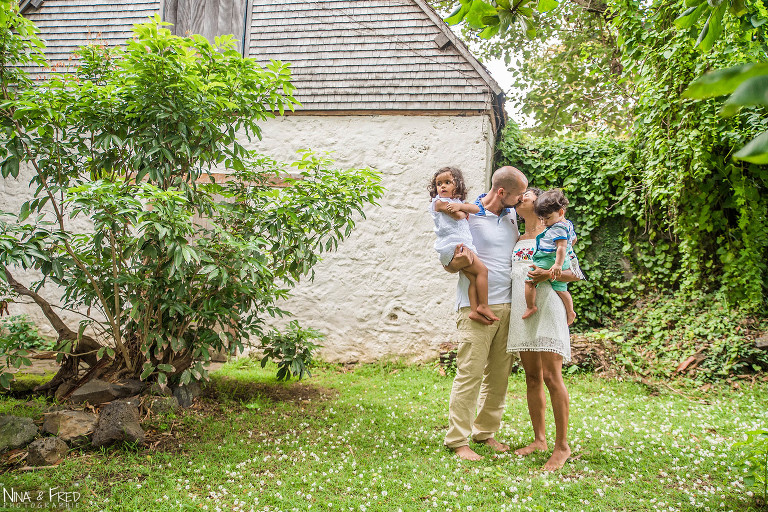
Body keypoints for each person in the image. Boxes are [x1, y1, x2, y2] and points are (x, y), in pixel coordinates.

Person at [442, 166, 527, 461]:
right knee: (470, 373)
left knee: (499, 376)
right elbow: (448, 263)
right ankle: (457, 440)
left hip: (508, 305)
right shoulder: (469, 216)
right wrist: (457, 262)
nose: (521, 200)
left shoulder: (513, 217)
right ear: (501, 192)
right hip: (473, 307)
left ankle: (485, 432)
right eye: (518, 195)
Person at [507, 187, 581, 471]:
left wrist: (547, 274)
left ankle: (562, 447)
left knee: (552, 376)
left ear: (537, 202)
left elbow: (573, 273)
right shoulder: (517, 239)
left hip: (549, 305)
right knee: (532, 377)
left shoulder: (556, 234)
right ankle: (539, 440)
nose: (520, 197)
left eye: (525, 194)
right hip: (523, 311)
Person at [429, 167, 499, 323]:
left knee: (474, 278)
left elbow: (476, 208)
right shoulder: (439, 203)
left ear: (458, 185)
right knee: (483, 271)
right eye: (439, 184)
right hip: (454, 245)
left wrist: (461, 206)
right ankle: (484, 305)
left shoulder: (457, 202)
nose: (443, 186)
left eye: (447, 182)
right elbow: (460, 216)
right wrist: (462, 210)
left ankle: (474, 310)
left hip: (461, 244)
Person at [522, 189, 577, 325]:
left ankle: (530, 306)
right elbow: (572, 240)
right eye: (541, 219)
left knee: (530, 280)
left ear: (560, 212)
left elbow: (561, 248)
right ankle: (570, 311)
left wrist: (556, 266)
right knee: (561, 289)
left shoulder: (557, 228)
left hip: (549, 260)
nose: (544, 222)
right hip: (559, 261)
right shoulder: (567, 225)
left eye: (547, 218)